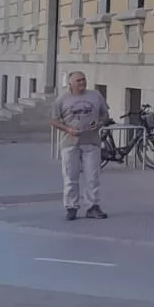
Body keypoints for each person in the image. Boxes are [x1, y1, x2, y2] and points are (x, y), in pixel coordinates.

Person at [52, 71, 110, 221]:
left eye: (84, 80)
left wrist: (100, 123)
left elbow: (105, 115)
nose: (82, 83)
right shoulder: (62, 99)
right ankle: (71, 207)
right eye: (78, 81)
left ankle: (93, 206)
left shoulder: (95, 95)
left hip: (91, 142)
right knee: (71, 176)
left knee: (93, 177)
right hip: (70, 143)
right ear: (70, 83)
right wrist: (68, 129)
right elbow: (54, 120)